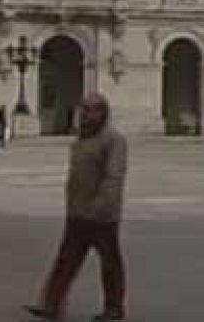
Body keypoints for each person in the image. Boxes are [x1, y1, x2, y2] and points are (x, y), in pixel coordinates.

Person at [27, 92, 128, 322]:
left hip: (101, 216)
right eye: (83, 109)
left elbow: (114, 177)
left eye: (90, 109)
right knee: (66, 260)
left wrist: (100, 206)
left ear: (103, 112)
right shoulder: (82, 139)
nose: (85, 114)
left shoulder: (113, 140)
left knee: (110, 263)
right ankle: (52, 304)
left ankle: (114, 307)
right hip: (77, 212)